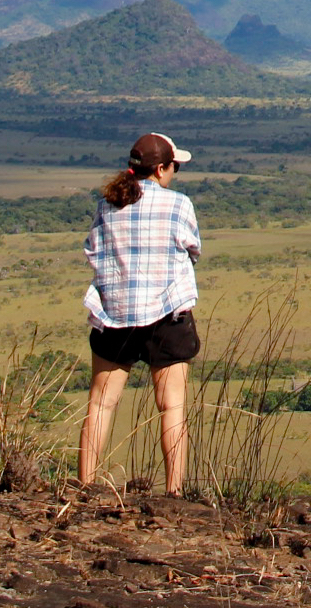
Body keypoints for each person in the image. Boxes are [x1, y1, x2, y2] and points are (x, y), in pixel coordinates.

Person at [79, 133, 201, 496]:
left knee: (101, 403)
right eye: (173, 167)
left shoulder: (108, 204)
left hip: (114, 312)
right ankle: (174, 491)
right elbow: (192, 249)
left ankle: (86, 484)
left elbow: (91, 249)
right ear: (161, 168)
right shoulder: (178, 204)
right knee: (172, 405)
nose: (174, 173)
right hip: (167, 313)